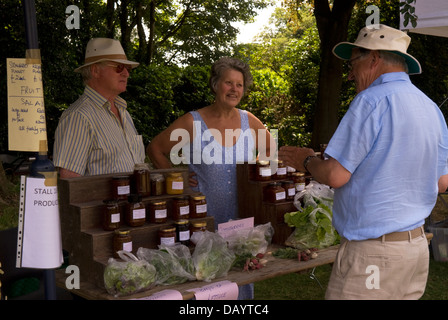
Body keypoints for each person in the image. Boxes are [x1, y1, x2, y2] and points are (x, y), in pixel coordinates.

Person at [279, 24, 448, 300]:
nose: (349, 74)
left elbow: (335, 175)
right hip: (416, 249)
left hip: (374, 254)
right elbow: (442, 183)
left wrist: (306, 159)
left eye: (353, 62)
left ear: (374, 58)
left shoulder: (370, 101)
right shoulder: (430, 108)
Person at [147, 57, 274, 299]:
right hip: (204, 220)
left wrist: (256, 178)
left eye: (239, 84)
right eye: (229, 83)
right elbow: (156, 149)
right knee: (205, 282)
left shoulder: (249, 121)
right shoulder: (194, 122)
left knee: (241, 280)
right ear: (216, 85)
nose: (234, 89)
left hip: (241, 222)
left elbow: (270, 151)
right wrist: (179, 180)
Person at [53, 38, 145, 178]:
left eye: (128, 68)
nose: (126, 73)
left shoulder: (123, 112)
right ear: (95, 71)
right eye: (119, 67)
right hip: (103, 200)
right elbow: (70, 181)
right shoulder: (79, 116)